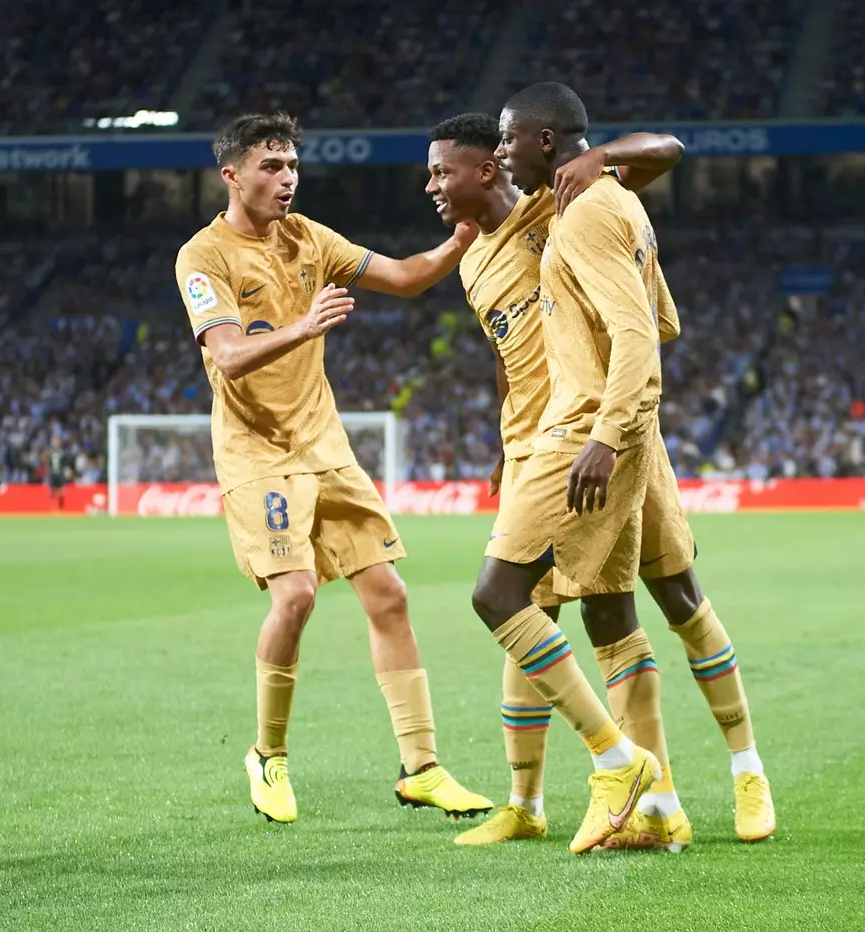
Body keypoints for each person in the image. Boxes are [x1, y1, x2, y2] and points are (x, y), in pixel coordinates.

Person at [428, 109, 774, 848]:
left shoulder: (554, 206)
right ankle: (546, 803)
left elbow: (669, 150)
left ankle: (719, 776)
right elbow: (507, 349)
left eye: (440, 171)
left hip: (598, 431)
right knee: (566, 613)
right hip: (542, 438)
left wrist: (601, 156)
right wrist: (504, 435)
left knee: (663, 596)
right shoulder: (468, 261)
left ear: (491, 165)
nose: (430, 185)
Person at [174, 112, 491, 825]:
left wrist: (462, 238)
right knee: (297, 598)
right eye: (271, 167)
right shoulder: (203, 256)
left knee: (389, 594)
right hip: (257, 453)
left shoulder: (312, 239)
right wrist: (303, 327)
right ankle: (268, 755)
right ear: (232, 175)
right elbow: (225, 355)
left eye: (292, 166)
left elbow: (407, 277)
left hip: (325, 447)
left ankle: (422, 768)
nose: (287, 180)